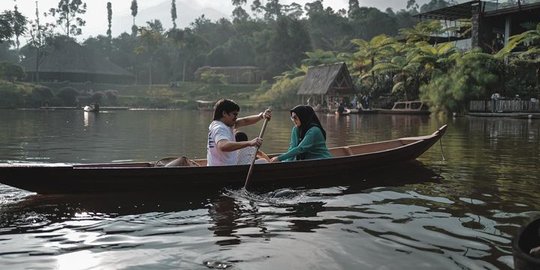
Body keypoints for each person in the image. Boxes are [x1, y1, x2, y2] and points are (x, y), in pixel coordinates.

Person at [207, 99, 271, 166]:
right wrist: (249, 143)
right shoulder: (220, 128)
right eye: (234, 114)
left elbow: (245, 121)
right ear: (224, 113)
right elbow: (223, 146)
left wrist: (261, 116)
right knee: (264, 162)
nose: (236, 117)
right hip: (223, 170)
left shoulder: (226, 124)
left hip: (227, 166)